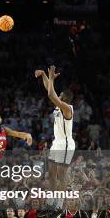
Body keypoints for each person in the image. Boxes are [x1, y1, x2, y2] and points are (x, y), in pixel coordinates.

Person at [35, 66, 75, 199]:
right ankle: (52, 202)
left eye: (60, 95)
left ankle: (59, 204)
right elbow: (49, 89)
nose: (58, 96)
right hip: (57, 143)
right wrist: (44, 76)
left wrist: (51, 78)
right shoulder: (60, 105)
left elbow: (51, 94)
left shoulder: (67, 108)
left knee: (61, 175)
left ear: (64, 98)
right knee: (51, 174)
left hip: (65, 144)